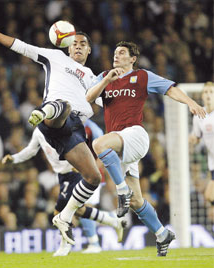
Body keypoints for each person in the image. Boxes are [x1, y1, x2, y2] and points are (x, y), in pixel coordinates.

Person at [0, 19, 104, 245]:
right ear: (68, 45)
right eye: (75, 43)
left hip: (74, 132)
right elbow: (20, 46)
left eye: (83, 43)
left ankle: (64, 217)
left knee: (93, 178)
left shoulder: (93, 78)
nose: (79, 46)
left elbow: (109, 105)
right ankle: (46, 109)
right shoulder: (55, 57)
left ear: (89, 49)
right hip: (55, 121)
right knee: (65, 106)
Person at [86, 41, 206, 256]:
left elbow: (170, 89)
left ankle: (121, 191)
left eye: (122, 52)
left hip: (135, 135)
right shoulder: (104, 76)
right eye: (115, 52)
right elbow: (88, 99)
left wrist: (190, 102)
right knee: (136, 201)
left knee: (98, 144)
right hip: (120, 146)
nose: (116, 55)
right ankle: (162, 233)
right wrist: (106, 80)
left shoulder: (142, 76)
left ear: (132, 59)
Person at [2, 120, 125, 256]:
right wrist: (14, 158)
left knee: (59, 213)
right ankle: (112, 221)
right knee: (78, 210)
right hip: (62, 175)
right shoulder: (38, 132)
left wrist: (81, 163)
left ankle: (66, 245)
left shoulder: (65, 128)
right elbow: (31, 150)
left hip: (75, 172)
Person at [189, 82, 214, 204]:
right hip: (212, 161)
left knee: (210, 195)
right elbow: (197, 136)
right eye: (206, 92)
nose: (208, 95)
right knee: (209, 197)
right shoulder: (198, 115)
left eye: (211, 92)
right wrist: (193, 139)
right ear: (202, 96)